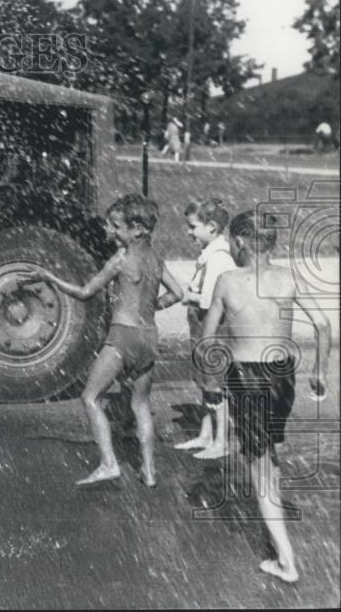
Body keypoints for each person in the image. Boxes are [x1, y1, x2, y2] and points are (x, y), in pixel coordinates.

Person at [197, 210, 331, 583]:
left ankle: (286, 561)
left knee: (260, 471)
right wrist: (319, 372)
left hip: (247, 377)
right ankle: (277, 535)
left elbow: (208, 341)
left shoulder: (227, 280)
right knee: (267, 450)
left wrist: (210, 382)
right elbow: (322, 324)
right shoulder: (288, 277)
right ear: (271, 243)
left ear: (239, 242)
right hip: (281, 377)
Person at [22, 194, 183, 487]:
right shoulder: (156, 258)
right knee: (141, 405)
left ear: (136, 229)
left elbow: (85, 292)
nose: (109, 230)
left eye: (115, 226)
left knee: (90, 397)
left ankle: (109, 463)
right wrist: (149, 307)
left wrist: (49, 278)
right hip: (149, 336)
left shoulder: (120, 259)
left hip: (123, 335)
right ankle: (149, 472)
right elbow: (178, 294)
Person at [175, 198, 238, 459]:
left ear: (211, 227)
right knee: (204, 383)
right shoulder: (210, 253)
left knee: (214, 386)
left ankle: (221, 441)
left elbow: (211, 300)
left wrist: (186, 293)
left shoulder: (219, 258)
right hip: (202, 326)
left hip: (213, 329)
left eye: (193, 227)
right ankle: (205, 434)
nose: (189, 232)